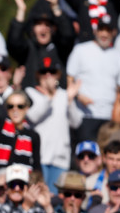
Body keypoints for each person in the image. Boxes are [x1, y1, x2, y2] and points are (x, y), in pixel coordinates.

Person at [25, 58, 83, 192]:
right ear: (38, 75)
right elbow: (32, 117)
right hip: (40, 156)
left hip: (60, 157)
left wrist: (69, 101)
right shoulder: (31, 93)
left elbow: (76, 122)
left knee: (56, 197)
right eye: (44, 72)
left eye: (52, 72)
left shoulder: (64, 95)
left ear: (58, 75)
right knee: (39, 195)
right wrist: (49, 97)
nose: (48, 76)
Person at [66, 16, 120, 142]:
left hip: (109, 116)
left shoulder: (119, 56)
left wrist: (117, 115)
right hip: (85, 115)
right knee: (86, 155)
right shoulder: (80, 50)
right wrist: (78, 96)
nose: (104, 34)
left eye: (108, 30)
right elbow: (68, 78)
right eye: (101, 30)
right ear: (95, 31)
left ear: (114, 32)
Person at [8, 0, 76, 89]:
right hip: (31, 103)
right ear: (32, 28)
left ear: (53, 28)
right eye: (39, 24)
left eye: (47, 25)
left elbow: (68, 35)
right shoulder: (27, 49)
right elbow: (14, 42)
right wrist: (21, 11)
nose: (43, 29)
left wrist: (56, 9)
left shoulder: (60, 49)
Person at [86, 140, 120, 204]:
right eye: (111, 159)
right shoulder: (89, 184)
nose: (114, 164)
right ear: (104, 159)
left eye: (119, 160)